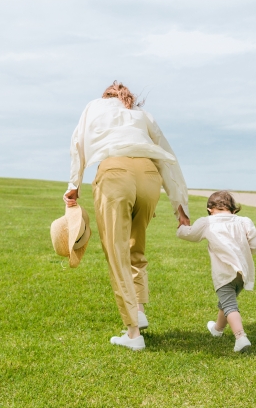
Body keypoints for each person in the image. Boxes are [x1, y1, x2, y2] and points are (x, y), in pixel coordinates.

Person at [64, 81, 190, 350]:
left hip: (115, 172)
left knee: (116, 252)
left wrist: (74, 186)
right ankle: (140, 310)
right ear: (128, 98)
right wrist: (180, 205)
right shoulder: (142, 116)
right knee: (136, 247)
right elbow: (168, 155)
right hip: (148, 176)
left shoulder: (94, 108)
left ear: (105, 96)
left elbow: (78, 144)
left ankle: (134, 334)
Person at [176, 190, 256, 353]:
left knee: (229, 305)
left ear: (210, 208)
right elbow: (255, 244)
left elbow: (189, 234)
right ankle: (217, 329)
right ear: (233, 209)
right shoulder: (244, 221)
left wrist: (182, 226)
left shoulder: (208, 222)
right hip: (242, 272)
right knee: (226, 301)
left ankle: (240, 337)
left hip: (224, 273)